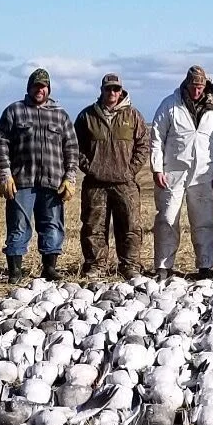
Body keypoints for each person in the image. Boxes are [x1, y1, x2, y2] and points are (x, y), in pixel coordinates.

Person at [0, 67, 79, 284]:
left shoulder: (60, 115)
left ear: (48, 88)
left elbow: (72, 148)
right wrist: (5, 173)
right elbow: (1, 143)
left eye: (43, 86)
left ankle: (49, 268)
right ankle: (15, 271)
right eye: (36, 86)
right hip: (22, 181)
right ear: (29, 87)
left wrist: (70, 177)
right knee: (18, 225)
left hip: (52, 182)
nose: (40, 90)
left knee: (52, 225)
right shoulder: (15, 111)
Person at [150, 64, 213, 280]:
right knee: (167, 218)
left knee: (204, 220)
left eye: (200, 86)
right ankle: (163, 267)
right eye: (194, 85)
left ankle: (205, 266)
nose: (197, 90)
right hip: (172, 172)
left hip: (204, 172)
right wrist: (157, 168)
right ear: (186, 84)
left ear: (205, 86)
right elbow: (156, 138)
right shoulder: (170, 105)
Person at [73, 73, 149, 278]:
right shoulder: (86, 116)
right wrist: (90, 167)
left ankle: (130, 265)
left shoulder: (133, 115)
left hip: (125, 182)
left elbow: (143, 145)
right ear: (102, 90)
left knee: (130, 226)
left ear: (121, 91)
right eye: (108, 89)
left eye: (116, 89)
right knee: (93, 226)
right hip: (95, 183)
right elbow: (75, 147)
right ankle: (96, 265)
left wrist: (130, 170)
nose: (112, 93)